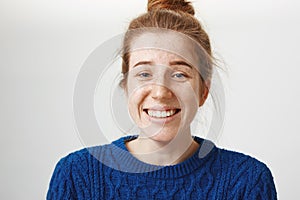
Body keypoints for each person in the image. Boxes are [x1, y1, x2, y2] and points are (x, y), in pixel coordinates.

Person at [47, 0, 277, 199]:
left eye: (179, 74)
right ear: (126, 86)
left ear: (203, 91)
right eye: (144, 74)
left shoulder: (247, 181)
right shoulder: (76, 176)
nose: (160, 92)